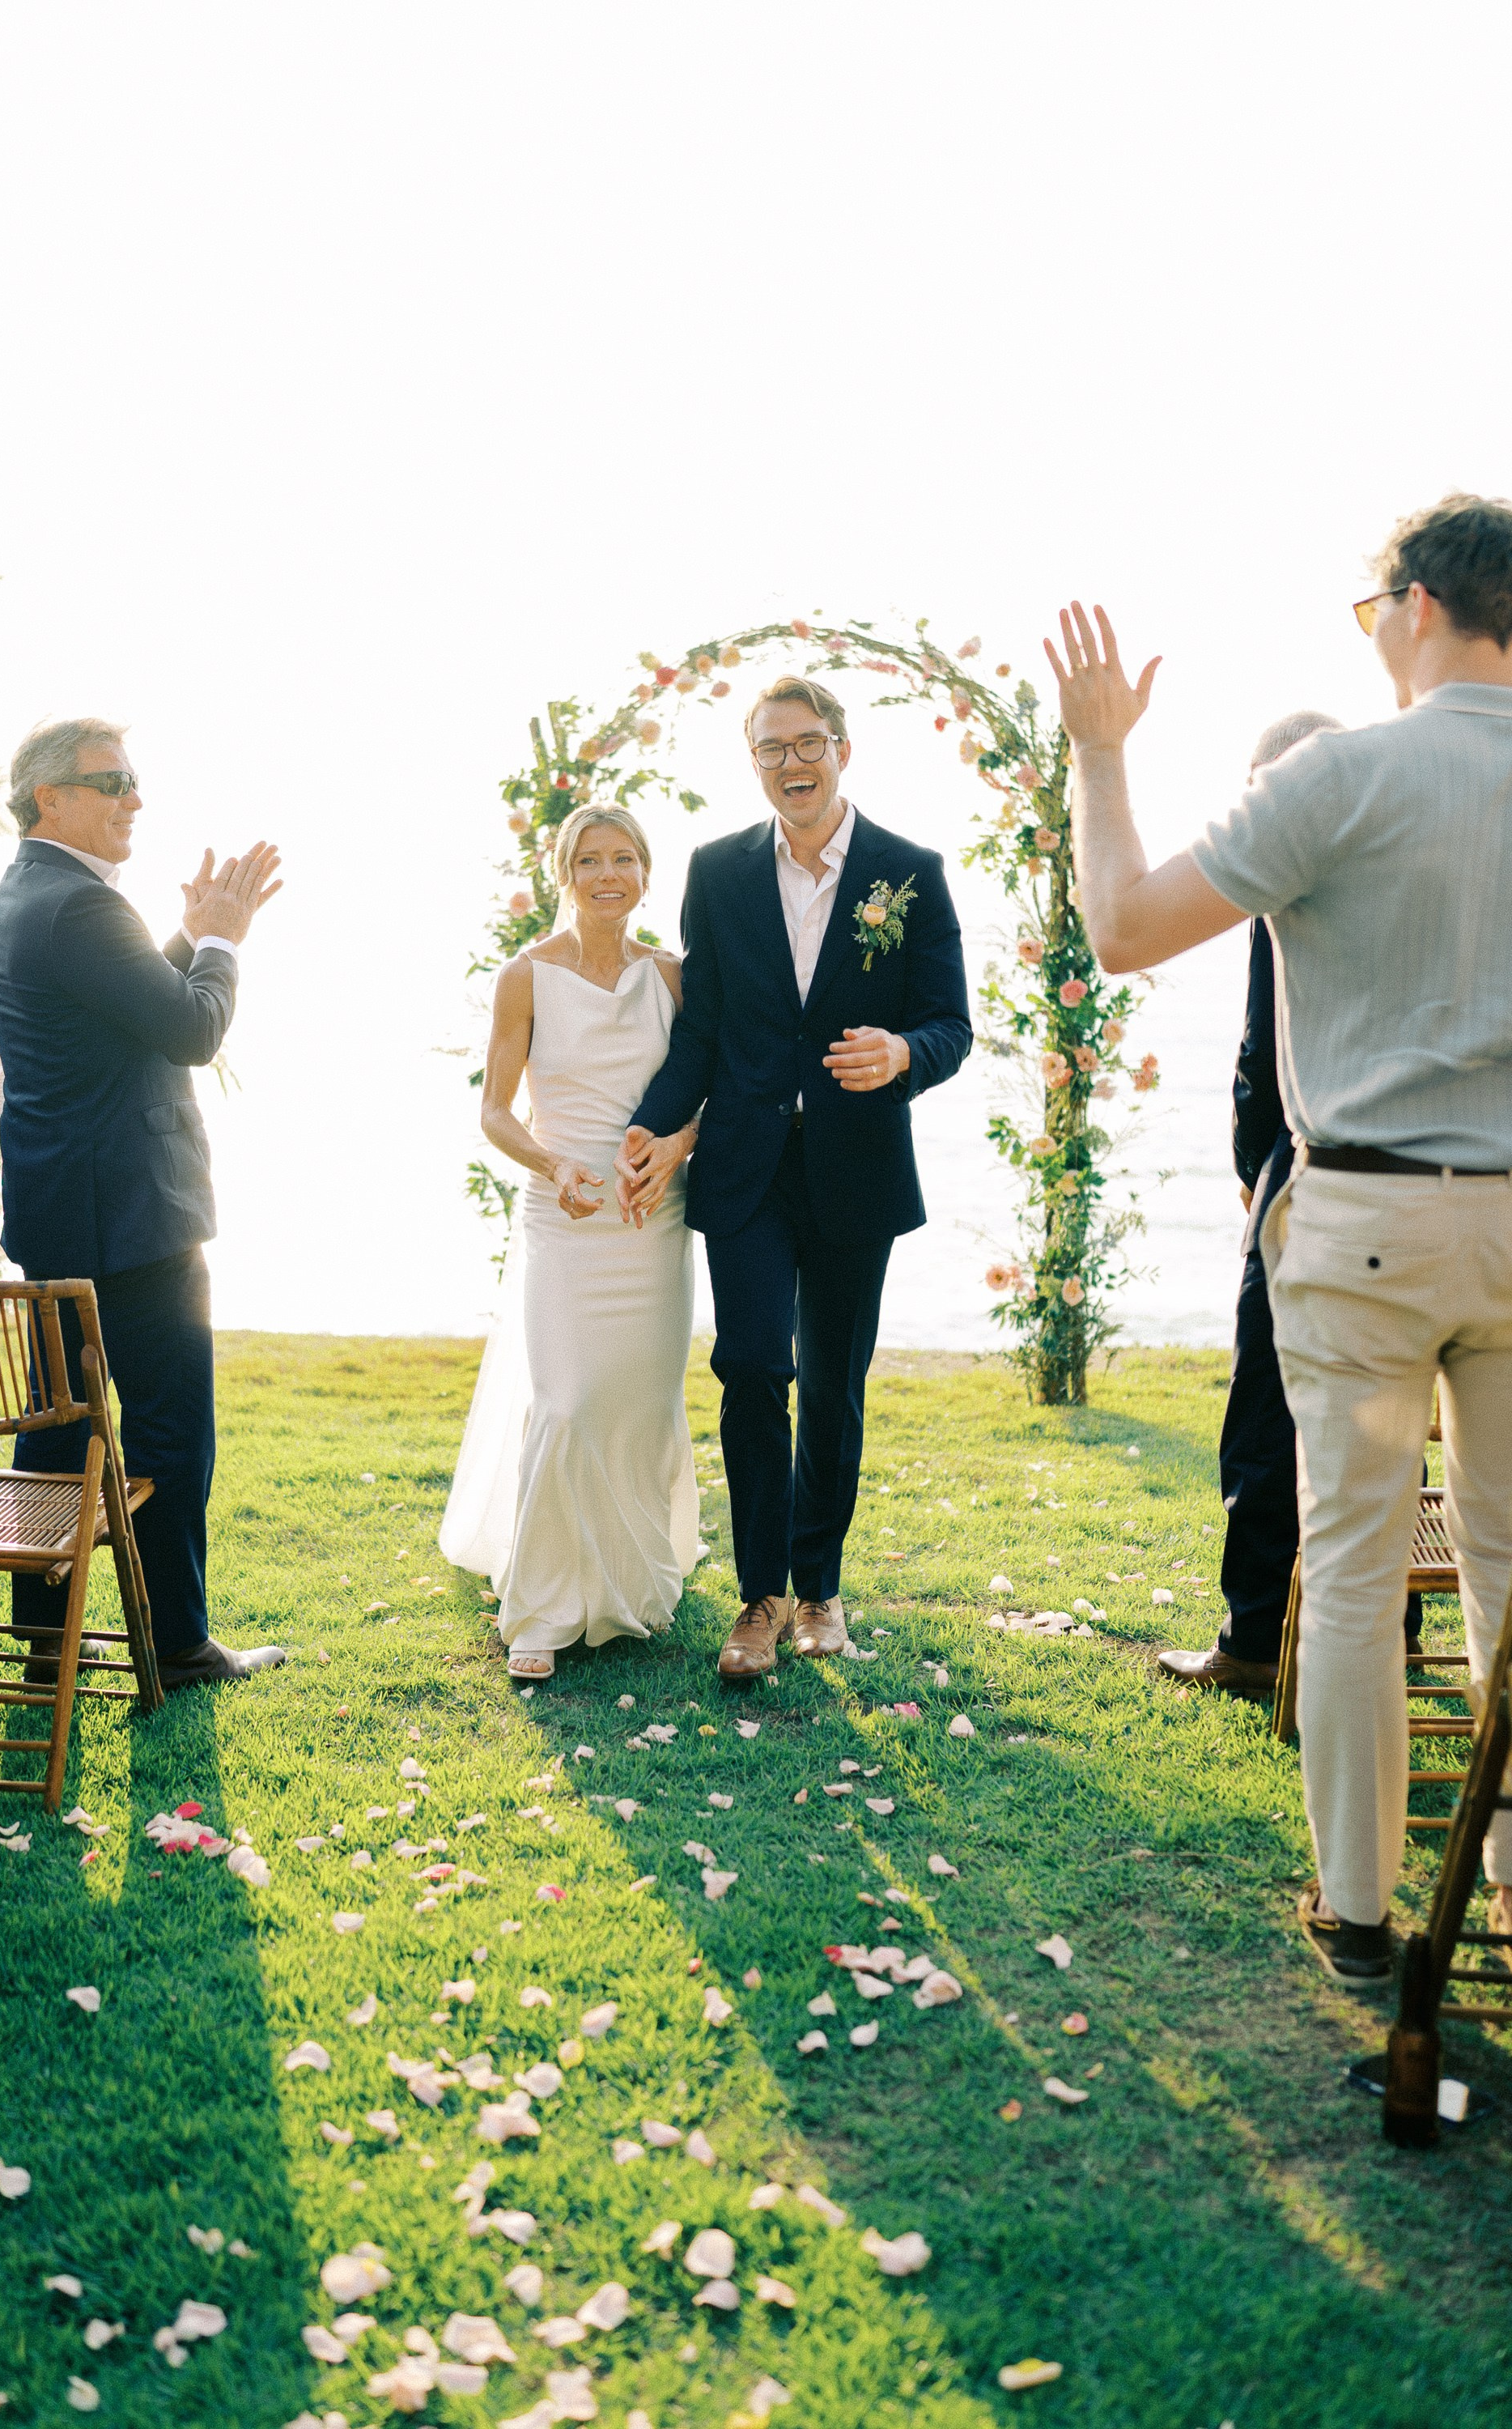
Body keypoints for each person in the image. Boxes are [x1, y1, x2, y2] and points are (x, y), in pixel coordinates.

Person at [1048, 491, 1512, 1983]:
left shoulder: (1341, 777)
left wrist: (1100, 752)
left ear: (1418, 605)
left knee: (1361, 1571)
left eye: (1370, 607)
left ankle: (1363, 1912)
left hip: (1369, 1224)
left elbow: (1120, 924)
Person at [616, 675, 971, 1682]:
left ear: (842, 751)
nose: (791, 764)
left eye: (807, 743)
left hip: (855, 1172)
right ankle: (760, 1598)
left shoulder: (909, 871)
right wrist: (651, 1126)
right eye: (770, 749)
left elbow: (951, 1023)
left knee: (831, 1385)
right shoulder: (718, 870)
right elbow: (703, 1031)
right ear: (754, 762)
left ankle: (820, 1589)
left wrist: (902, 1053)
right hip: (745, 1170)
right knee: (751, 1370)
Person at [0, 717, 285, 1693]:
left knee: (59, 1425)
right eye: (109, 782)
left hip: (63, 1204)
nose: (133, 799)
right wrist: (224, 944)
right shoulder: (79, 906)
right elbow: (188, 1028)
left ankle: (39, 1642)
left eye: (134, 779)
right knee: (169, 1429)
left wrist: (187, 932)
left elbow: (118, 1006)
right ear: (47, 797)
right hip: (139, 1215)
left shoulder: (23, 896)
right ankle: (181, 1644)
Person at [1157, 716, 1428, 1695]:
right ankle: (1389, 1631)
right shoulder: (1402, 862)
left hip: (1304, 1165)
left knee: (1266, 1416)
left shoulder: (1287, 880)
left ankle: (1253, 1640)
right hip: (1423, 1167)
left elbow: (1256, 1054)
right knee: (1383, 1413)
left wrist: (1253, 1170)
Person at [439, 804, 699, 1681]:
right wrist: (553, 1166)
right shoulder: (526, 976)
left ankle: (630, 1577)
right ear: (564, 873)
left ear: (644, 873)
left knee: (637, 1398)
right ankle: (541, 1609)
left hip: (649, 1215)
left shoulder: (670, 977)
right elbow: (492, 1111)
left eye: (623, 859)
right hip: (563, 1209)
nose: (607, 875)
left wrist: (673, 1153)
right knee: (566, 1400)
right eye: (589, 860)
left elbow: (706, 1097)